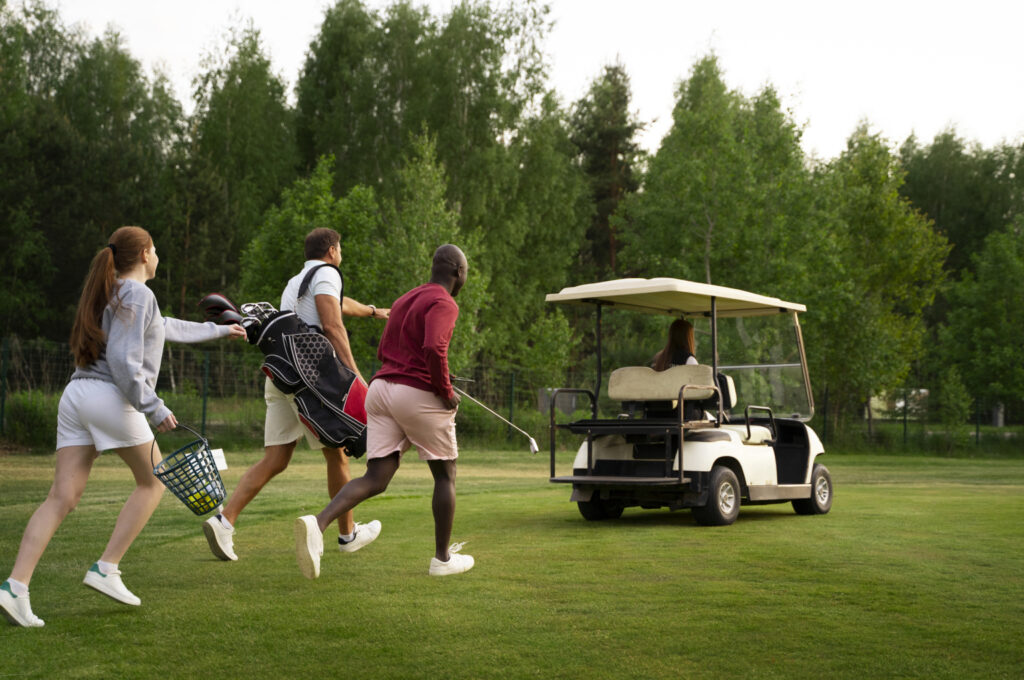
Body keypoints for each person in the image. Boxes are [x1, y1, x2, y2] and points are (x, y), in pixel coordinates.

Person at [0, 226, 246, 628]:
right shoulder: (138, 293)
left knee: (61, 497)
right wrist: (153, 406)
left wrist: (220, 329)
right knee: (154, 482)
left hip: (77, 396)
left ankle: (15, 587)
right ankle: (106, 568)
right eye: (156, 249)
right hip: (110, 397)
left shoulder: (115, 292)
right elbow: (122, 360)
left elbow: (164, 326)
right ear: (146, 253)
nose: (158, 255)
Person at [202, 228, 389, 562]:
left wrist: (375, 311)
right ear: (332, 250)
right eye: (341, 248)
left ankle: (224, 521)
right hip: (311, 383)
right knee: (337, 455)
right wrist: (357, 377)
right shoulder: (329, 273)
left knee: (276, 458)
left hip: (282, 375)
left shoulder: (297, 281)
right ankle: (347, 534)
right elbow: (332, 325)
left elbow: (338, 304)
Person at [294, 244, 472, 579]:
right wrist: (445, 391)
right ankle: (442, 560)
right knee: (445, 475)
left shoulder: (405, 299)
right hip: (414, 393)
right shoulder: (444, 302)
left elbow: (383, 349)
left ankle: (317, 523)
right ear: (459, 273)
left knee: (376, 477)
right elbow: (434, 347)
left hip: (380, 390)